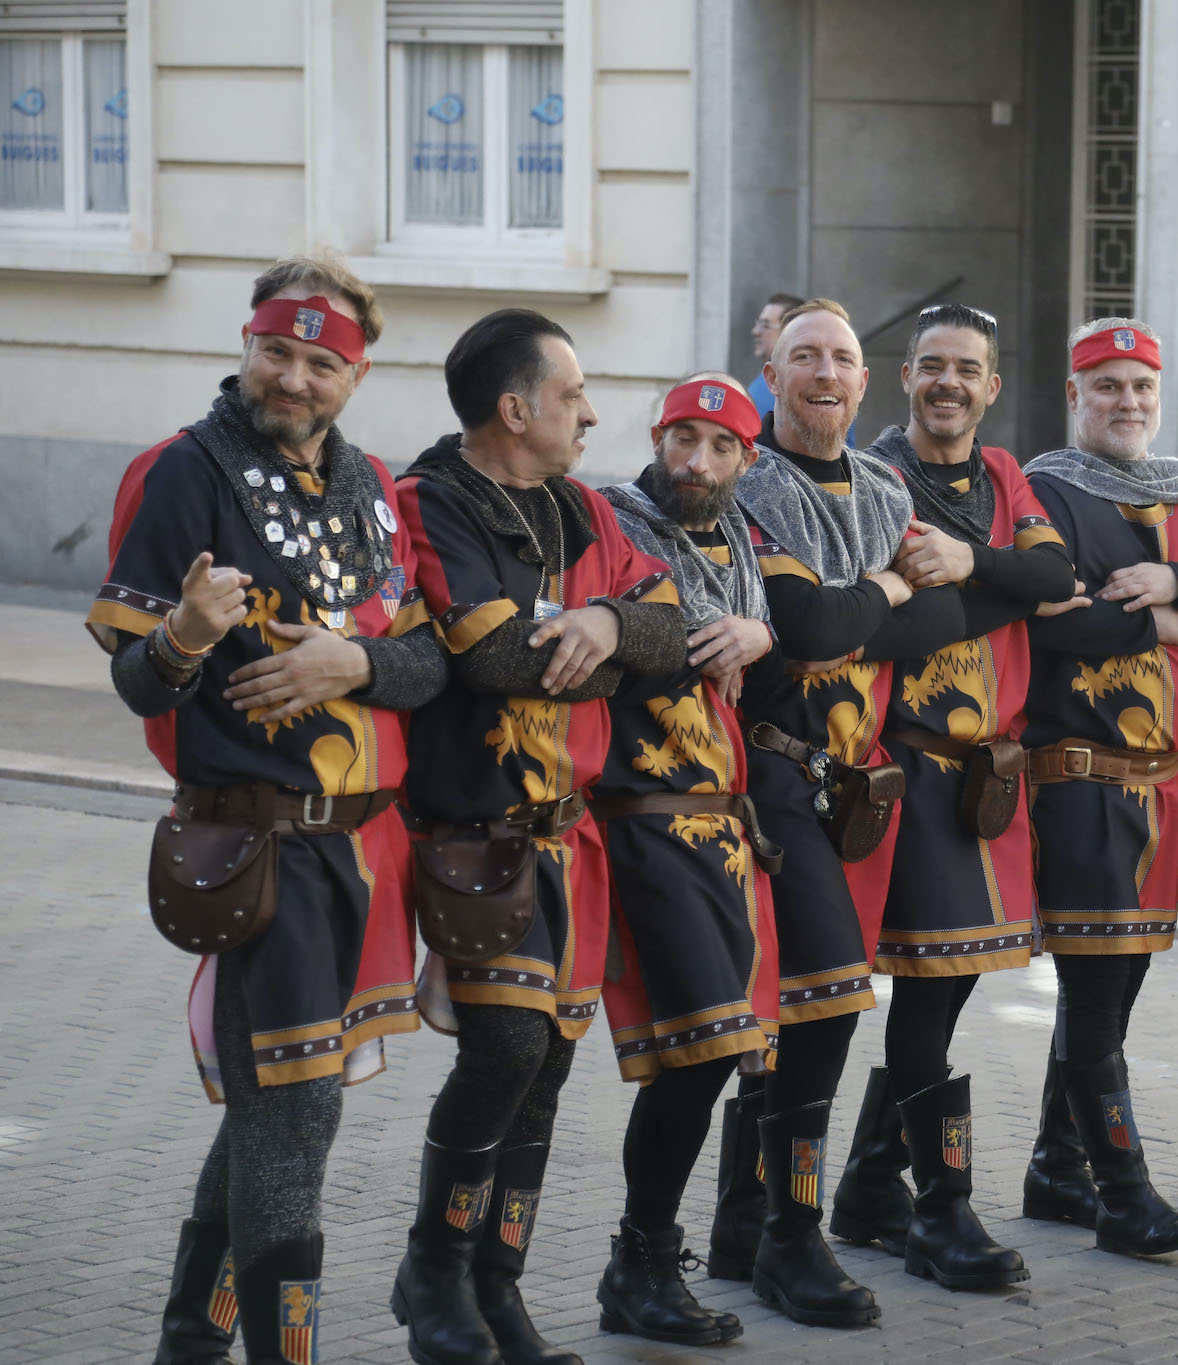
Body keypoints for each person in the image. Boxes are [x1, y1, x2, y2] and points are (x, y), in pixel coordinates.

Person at [94, 255, 442, 1365]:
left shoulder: (376, 487)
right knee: (293, 1114)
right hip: (258, 845)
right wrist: (187, 633)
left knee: (279, 1106)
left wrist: (355, 663)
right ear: (247, 343)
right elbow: (138, 683)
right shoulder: (180, 473)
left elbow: (430, 660)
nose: (292, 378)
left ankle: (191, 1342)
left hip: (366, 850)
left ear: (356, 373)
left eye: (320, 362)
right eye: (276, 350)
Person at [391, 310, 690, 1365]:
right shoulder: (428, 503)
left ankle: (495, 1287)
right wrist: (615, 634)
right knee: (506, 1046)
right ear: (514, 410)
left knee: (549, 1061)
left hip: (575, 842)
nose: (591, 413)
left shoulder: (579, 508)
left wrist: (604, 623)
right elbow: (489, 655)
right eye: (571, 395)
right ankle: (432, 1275)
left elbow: (674, 628)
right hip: (475, 835)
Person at [711, 297, 974, 1327]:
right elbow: (808, 624)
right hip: (772, 775)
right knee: (813, 1009)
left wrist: (871, 602)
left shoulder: (879, 483)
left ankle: (747, 1222)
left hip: (851, 781)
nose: (825, 373)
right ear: (772, 375)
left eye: (843, 360)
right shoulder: (751, 482)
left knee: (805, 1006)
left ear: (867, 385)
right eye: (804, 357)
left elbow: (944, 612)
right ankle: (787, 1240)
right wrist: (884, 593)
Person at [1019, 317, 1178, 1258]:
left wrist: (1175, 584)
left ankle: (1056, 1166)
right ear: (1075, 396)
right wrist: (1154, 629)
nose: (1127, 403)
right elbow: (1049, 613)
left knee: (1117, 989)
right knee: (1094, 994)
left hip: (1162, 787)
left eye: (1141, 387)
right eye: (1108, 386)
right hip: (1081, 778)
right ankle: (1123, 1193)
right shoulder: (1041, 487)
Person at [826, 304, 1074, 1290]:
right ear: (904, 376)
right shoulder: (876, 481)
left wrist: (973, 565)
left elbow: (1054, 575)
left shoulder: (1008, 477)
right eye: (931, 366)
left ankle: (869, 1187)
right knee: (927, 994)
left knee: (951, 987)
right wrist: (1000, 590)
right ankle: (942, 1212)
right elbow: (880, 628)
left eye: (966, 369)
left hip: (989, 781)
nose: (947, 384)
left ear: (991, 385)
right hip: (913, 772)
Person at [587, 373, 781, 1348]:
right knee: (699, 1047)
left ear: (746, 460)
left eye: (717, 446)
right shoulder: (606, 523)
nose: (693, 462)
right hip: (642, 814)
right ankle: (641, 1261)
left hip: (722, 827)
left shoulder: (743, 541)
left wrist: (763, 628)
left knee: (709, 1055)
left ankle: (644, 1264)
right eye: (680, 439)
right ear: (656, 438)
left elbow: (812, 622)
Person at [746, 293, 803, 418]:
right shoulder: (769, 376)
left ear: (789, 331)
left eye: (765, 325)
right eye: (758, 324)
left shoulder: (800, 384)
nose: (755, 331)